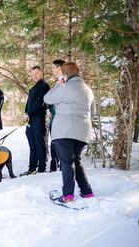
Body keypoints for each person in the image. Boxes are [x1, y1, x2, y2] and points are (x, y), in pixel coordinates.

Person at [44, 61, 95, 203]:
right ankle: (86, 192)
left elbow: (47, 98)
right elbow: (93, 112)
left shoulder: (64, 87)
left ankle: (67, 195)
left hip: (64, 130)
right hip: (83, 130)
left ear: (65, 75)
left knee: (66, 162)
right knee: (76, 161)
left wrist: (59, 84)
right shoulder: (88, 90)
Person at [20, 66, 50, 176]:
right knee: (32, 145)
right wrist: (25, 113)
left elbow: (39, 103)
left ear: (41, 73)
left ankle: (41, 168)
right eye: (32, 74)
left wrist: (29, 113)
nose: (34, 76)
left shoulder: (44, 86)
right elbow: (28, 104)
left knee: (39, 143)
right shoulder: (32, 88)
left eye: (36, 73)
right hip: (30, 120)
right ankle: (32, 168)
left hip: (38, 119)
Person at [48, 59, 65, 172]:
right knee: (53, 142)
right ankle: (54, 165)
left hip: (61, 118)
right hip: (53, 118)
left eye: (54, 67)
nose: (52, 70)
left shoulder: (66, 82)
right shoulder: (56, 83)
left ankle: (63, 165)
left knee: (61, 143)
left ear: (59, 68)